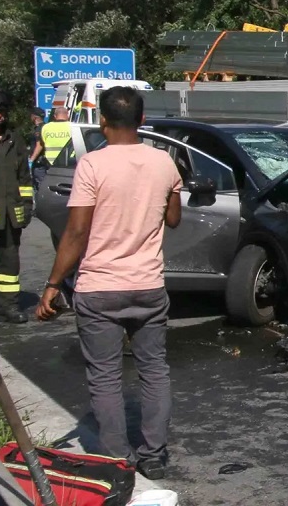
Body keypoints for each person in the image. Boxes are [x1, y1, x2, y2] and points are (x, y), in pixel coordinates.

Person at [35, 87, 181, 479]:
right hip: (148, 285)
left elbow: (77, 231)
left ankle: (117, 459)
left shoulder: (92, 165)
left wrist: (53, 283)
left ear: (102, 120)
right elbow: (173, 219)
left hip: (100, 287)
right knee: (154, 371)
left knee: (105, 376)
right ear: (142, 117)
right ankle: (153, 455)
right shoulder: (165, 162)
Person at [0, 88, 35, 324]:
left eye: (2, 111)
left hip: (10, 215)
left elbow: (24, 178)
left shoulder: (15, 139)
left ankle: (9, 306)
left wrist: (26, 205)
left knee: (10, 264)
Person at [27, 108, 47, 188]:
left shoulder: (39, 129)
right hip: (43, 161)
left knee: (40, 184)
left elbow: (39, 146)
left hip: (39, 162)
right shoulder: (45, 127)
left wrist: (31, 160)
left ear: (34, 117)